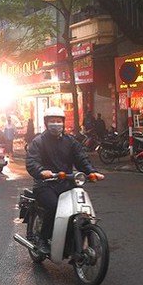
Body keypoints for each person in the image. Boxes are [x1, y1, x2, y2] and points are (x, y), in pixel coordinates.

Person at [26, 106, 104, 254]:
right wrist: (42, 171)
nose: (56, 124)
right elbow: (32, 162)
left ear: (63, 122)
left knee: (78, 209)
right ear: (46, 123)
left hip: (67, 183)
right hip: (45, 185)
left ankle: (70, 241)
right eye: (52, 121)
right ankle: (42, 239)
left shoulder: (70, 141)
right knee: (54, 207)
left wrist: (92, 172)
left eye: (58, 121)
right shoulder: (38, 141)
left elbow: (81, 159)